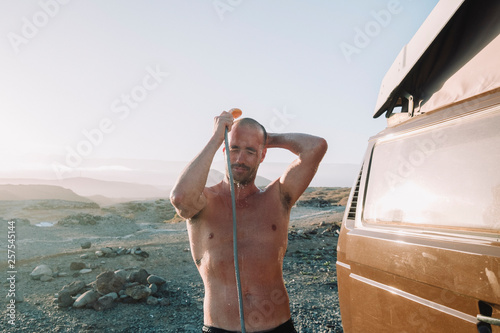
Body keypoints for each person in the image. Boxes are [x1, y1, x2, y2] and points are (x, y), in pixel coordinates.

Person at [170, 111, 327, 332]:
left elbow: (315, 147)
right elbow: (180, 199)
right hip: (220, 328)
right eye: (234, 149)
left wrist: (265, 137)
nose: (240, 159)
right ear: (224, 150)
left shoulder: (276, 197)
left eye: (250, 151)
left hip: (277, 326)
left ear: (262, 155)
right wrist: (217, 137)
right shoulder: (203, 201)